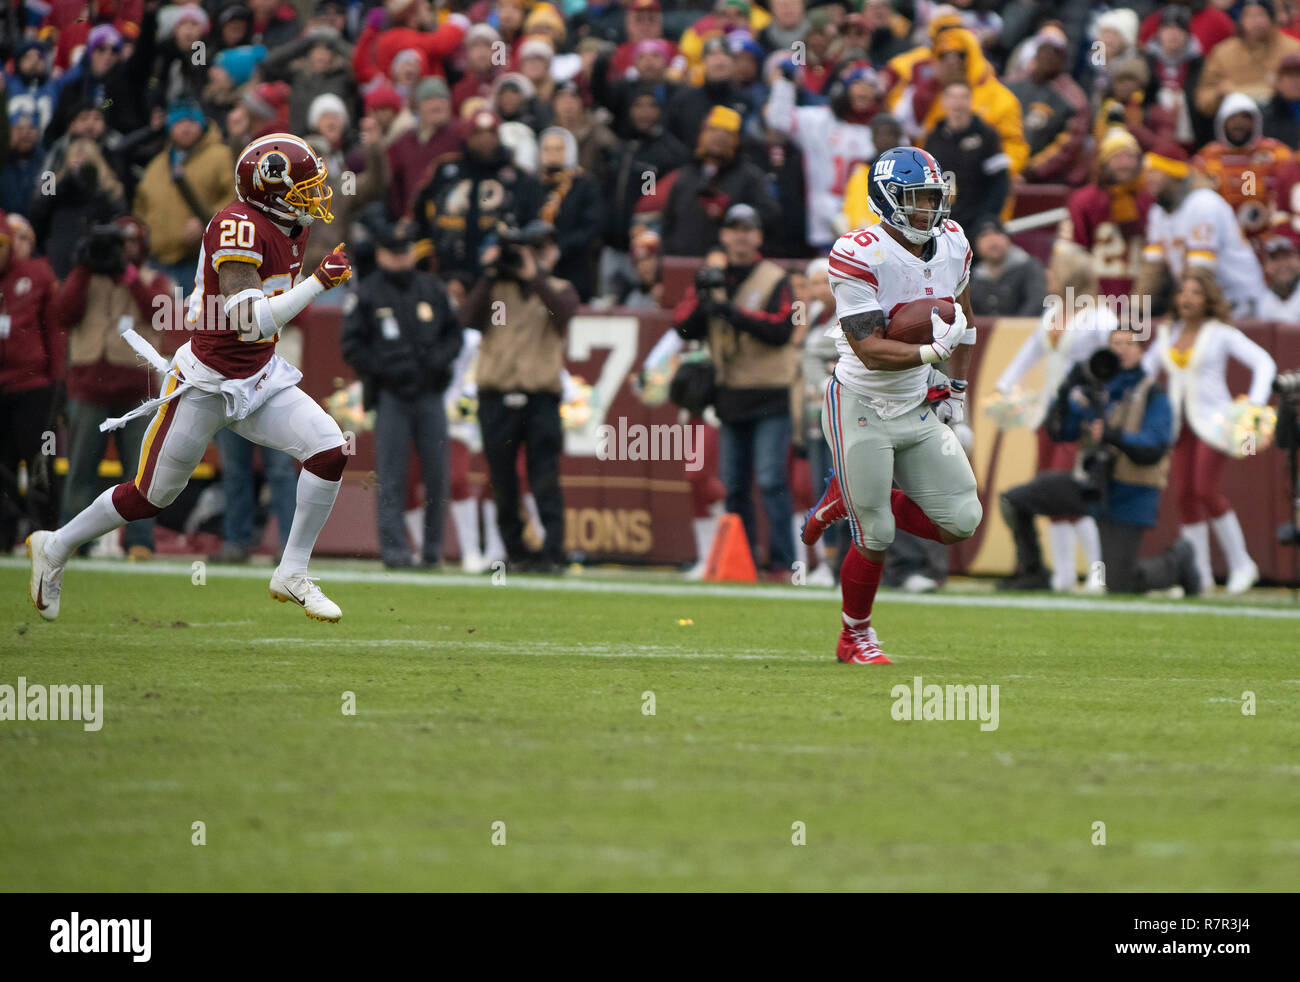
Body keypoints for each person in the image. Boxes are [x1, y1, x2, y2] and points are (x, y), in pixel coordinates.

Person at [27, 134, 354, 622]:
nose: (312, 198)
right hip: (205, 382)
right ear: (268, 190)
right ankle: (56, 545)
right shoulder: (236, 226)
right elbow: (249, 321)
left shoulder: (289, 223)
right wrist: (318, 283)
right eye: (302, 188)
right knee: (148, 497)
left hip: (259, 377)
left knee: (330, 448)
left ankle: (292, 571)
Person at [799, 147, 982, 664]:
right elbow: (870, 350)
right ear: (887, 200)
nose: (930, 209)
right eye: (918, 199)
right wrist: (931, 353)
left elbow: (964, 320)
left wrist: (956, 391)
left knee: (961, 521)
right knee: (875, 532)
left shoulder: (953, 244)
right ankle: (854, 635)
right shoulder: (859, 251)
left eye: (933, 197)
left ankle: (848, 497)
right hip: (860, 399)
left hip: (917, 403)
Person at [998, 325, 1202, 597]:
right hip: (1091, 484)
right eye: (1115, 343)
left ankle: (1178, 561)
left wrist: (1113, 435)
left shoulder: (1152, 393)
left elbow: (1154, 447)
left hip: (1130, 491)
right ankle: (1032, 570)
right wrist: (1066, 390)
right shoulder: (1095, 388)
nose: (1121, 349)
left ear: (1142, 352)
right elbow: (1061, 432)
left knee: (1119, 584)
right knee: (1014, 500)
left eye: (1129, 343)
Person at [673, 203, 798, 577]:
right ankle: (741, 560)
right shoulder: (712, 275)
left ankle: (781, 564)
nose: (740, 236)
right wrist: (705, 297)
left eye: (748, 229)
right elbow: (682, 326)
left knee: (772, 480)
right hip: (729, 395)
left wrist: (731, 312)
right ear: (724, 235)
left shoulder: (775, 277)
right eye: (734, 229)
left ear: (758, 236)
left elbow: (781, 329)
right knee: (734, 485)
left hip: (770, 391)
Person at [1142, 268, 1277, 593]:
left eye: (1196, 293)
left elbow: (1264, 363)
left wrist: (1252, 406)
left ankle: (1242, 563)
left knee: (1205, 490)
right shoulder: (1167, 333)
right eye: (1183, 292)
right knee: (1184, 496)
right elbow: (1146, 371)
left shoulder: (1220, 333)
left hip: (1218, 424)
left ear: (1209, 299)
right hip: (1180, 426)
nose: (1187, 299)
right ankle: (1197, 575)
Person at [342, 218, 463, 569]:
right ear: (380, 254)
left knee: (437, 473)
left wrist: (436, 362)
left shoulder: (431, 288)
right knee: (390, 474)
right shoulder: (367, 294)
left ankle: (433, 549)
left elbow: (454, 336)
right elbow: (351, 346)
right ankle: (394, 550)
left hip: (430, 393)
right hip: (391, 395)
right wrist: (385, 369)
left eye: (405, 251)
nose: (400, 258)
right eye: (393, 253)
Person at [995, 247, 1116, 592]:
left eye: (1053, 270)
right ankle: (1063, 574)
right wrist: (1004, 387)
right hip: (1047, 417)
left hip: (1079, 420)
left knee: (1070, 494)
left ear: (1069, 276)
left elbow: (1118, 363)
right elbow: (1028, 354)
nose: (1047, 275)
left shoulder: (1100, 318)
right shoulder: (1052, 314)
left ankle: (1098, 574)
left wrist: (1104, 407)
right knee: (1049, 494)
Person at [53, 217, 174, 561]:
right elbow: (63, 313)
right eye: (121, 243)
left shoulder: (152, 279)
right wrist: (82, 266)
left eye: (132, 243)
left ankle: (139, 541)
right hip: (88, 386)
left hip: (136, 390)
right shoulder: (86, 278)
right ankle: (73, 541)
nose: (126, 249)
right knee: (79, 470)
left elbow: (159, 314)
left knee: (140, 472)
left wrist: (128, 276)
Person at [461, 222, 578, 572]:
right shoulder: (494, 288)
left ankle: (553, 552)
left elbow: (566, 315)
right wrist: (488, 272)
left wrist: (534, 277)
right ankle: (516, 552)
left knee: (545, 474)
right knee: (503, 478)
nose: (533, 255)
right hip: (496, 394)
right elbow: (466, 319)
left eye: (540, 248)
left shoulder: (559, 288)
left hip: (541, 396)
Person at [762, 60, 880, 251]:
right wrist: (785, 83)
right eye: (859, 85)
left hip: (870, 227)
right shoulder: (819, 120)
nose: (864, 92)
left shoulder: (884, 130)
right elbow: (778, 120)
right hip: (823, 225)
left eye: (870, 87)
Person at [1135, 150, 1266, 318]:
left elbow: (1201, 270)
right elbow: (1152, 268)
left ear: (1174, 174)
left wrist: (1180, 309)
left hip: (1237, 301)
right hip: (1204, 300)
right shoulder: (1158, 212)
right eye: (1147, 173)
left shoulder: (1204, 203)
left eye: (1155, 172)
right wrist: (1135, 309)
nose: (1149, 179)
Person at [0, 210, 60, 552]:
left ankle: (46, 534)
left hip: (31, 386)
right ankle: (4, 536)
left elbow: (54, 331)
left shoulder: (37, 275)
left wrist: (56, 382)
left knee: (38, 461)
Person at [133, 101, 236, 289]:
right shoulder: (156, 165)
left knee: (194, 317)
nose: (186, 128)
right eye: (180, 122)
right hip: (158, 264)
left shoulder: (221, 156)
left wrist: (209, 222)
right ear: (170, 127)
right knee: (162, 318)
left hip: (198, 262)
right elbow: (141, 208)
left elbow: (234, 197)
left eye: (192, 122)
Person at [660, 105, 780, 256]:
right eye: (713, 130)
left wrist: (731, 211)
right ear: (701, 135)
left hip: (728, 266)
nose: (719, 136)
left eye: (727, 133)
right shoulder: (685, 174)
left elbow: (770, 214)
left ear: (737, 140)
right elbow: (668, 221)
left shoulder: (751, 177)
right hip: (683, 262)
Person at [1057, 128, 1152, 297]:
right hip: (1095, 298)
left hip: (1141, 299)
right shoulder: (1084, 200)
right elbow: (1070, 254)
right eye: (1117, 157)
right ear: (1103, 162)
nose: (1124, 164)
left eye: (1130, 157)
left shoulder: (1149, 199)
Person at [1193, 92, 1294, 241]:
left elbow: (1292, 184)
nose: (1239, 123)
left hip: (1270, 236)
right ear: (1222, 122)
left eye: (1245, 117)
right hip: (1224, 237)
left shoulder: (1276, 152)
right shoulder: (1207, 157)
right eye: (1232, 118)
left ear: (1256, 121)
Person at [921, 81, 1010, 232]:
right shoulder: (933, 137)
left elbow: (1000, 181)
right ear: (943, 101)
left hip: (977, 221)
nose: (957, 103)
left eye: (963, 97)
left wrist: (988, 218)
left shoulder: (988, 135)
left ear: (971, 101)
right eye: (952, 97)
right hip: (941, 221)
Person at [967, 217, 1045, 318]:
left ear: (1008, 239)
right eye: (984, 236)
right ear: (976, 245)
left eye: (997, 233)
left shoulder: (1029, 267)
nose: (992, 241)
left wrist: (1011, 329)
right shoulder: (973, 277)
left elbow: (1036, 302)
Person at [1258, 232, 1300, 321]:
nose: (1282, 264)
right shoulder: (1258, 301)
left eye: (1287, 256)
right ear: (1266, 265)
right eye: (1275, 258)